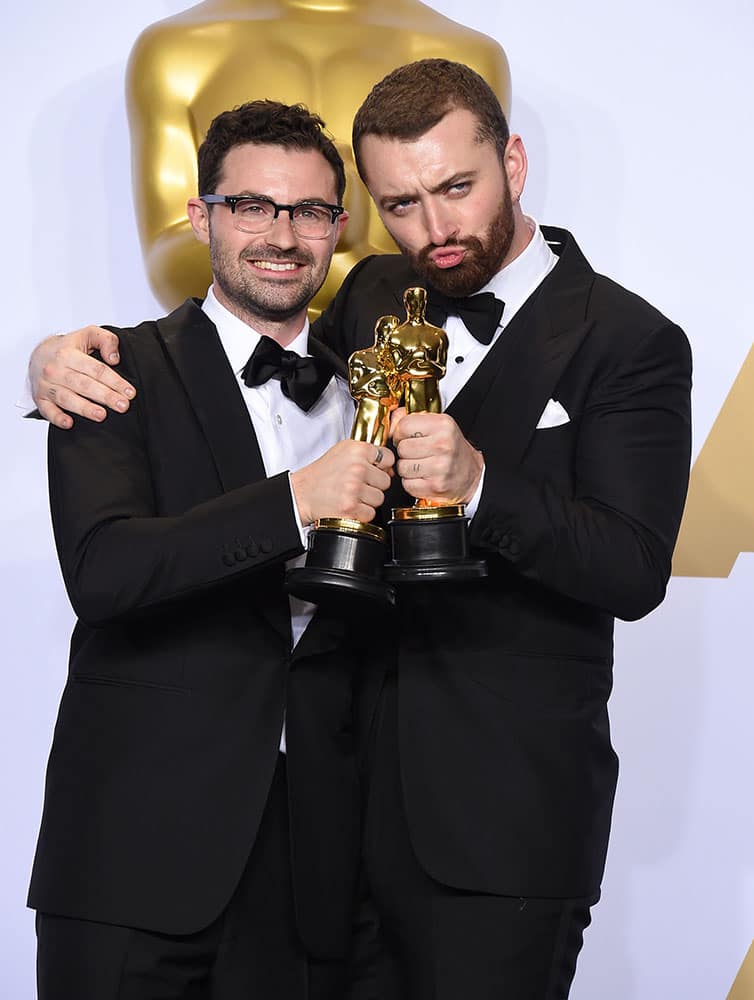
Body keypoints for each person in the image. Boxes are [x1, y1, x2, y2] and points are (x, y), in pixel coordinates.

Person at [28, 60, 692, 999]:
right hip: (326, 829)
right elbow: (237, 368)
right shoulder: (373, 295)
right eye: (401, 204)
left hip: (502, 820)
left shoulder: (631, 339)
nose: (436, 229)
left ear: (514, 161)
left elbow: (632, 570)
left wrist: (482, 486)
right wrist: (54, 357)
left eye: (456, 189)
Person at [26, 99, 395, 1000]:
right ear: (203, 217)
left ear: (338, 229)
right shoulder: (110, 368)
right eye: (252, 207)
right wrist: (293, 504)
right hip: (132, 856)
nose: (282, 235)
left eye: (309, 211)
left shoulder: (380, 386)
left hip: (316, 863)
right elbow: (107, 573)